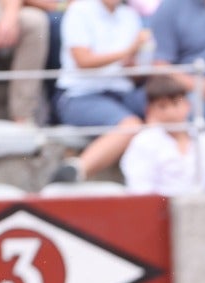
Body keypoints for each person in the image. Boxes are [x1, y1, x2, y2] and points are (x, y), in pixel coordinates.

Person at [49, 0, 150, 185]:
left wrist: (136, 64)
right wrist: (127, 52)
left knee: (166, 110)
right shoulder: (80, 10)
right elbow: (83, 60)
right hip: (80, 95)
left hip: (123, 94)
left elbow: (133, 74)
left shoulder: (130, 15)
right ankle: (75, 171)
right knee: (130, 125)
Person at [119, 73, 205, 193]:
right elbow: (140, 189)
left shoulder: (204, 139)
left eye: (175, 104)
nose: (170, 112)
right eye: (162, 106)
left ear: (187, 105)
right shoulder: (143, 142)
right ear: (149, 110)